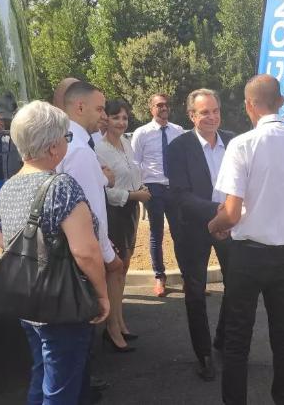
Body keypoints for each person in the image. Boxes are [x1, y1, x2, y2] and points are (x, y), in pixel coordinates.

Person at [208, 74, 284, 405]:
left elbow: (230, 211)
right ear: (282, 102)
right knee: (283, 336)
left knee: (238, 338)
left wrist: (214, 226)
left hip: (248, 255)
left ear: (248, 105)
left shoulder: (242, 144)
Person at [0, 100, 110, 405]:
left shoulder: (8, 187)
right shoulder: (61, 186)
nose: (67, 145)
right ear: (53, 147)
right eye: (65, 138)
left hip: (29, 299)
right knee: (60, 389)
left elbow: (3, 240)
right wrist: (102, 295)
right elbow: (85, 252)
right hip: (63, 303)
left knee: (43, 372)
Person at [54, 79, 127, 356]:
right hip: (80, 255)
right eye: (99, 109)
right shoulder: (80, 151)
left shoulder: (65, 143)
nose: (104, 117)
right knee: (76, 345)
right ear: (80, 107)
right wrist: (109, 256)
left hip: (63, 251)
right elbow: (91, 213)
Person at [167, 88, 235, 381]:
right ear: (192, 115)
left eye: (215, 110)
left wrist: (230, 214)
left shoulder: (234, 142)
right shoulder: (178, 147)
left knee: (236, 286)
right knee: (195, 292)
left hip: (231, 227)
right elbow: (180, 196)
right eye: (204, 112)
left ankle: (221, 338)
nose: (211, 117)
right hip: (192, 228)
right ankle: (204, 353)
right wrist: (216, 209)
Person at [95, 99, 151, 349]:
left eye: (125, 118)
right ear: (105, 119)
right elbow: (101, 189)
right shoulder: (97, 148)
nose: (121, 122)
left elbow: (133, 175)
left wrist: (139, 190)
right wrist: (132, 195)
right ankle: (111, 327)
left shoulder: (127, 144)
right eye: (116, 117)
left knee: (124, 267)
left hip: (130, 210)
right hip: (113, 212)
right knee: (114, 268)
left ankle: (119, 319)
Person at [131, 93, 184, 296]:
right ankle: (159, 277)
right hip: (153, 188)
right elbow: (135, 163)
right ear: (151, 108)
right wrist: (141, 187)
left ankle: (186, 276)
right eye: (159, 105)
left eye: (166, 105)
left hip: (174, 188)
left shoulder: (178, 131)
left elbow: (182, 160)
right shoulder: (141, 133)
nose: (164, 108)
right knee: (156, 233)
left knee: (180, 234)